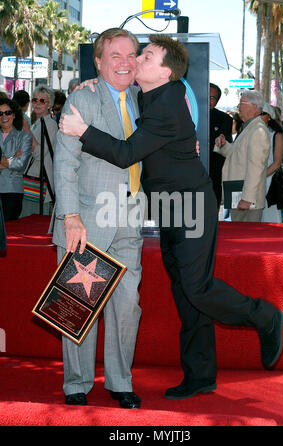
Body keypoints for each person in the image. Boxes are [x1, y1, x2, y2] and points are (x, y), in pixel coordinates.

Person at [59, 34, 283, 400]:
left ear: (165, 71)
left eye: (143, 56)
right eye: (129, 55)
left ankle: (265, 317)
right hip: (166, 206)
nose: (134, 61)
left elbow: (126, 152)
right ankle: (200, 375)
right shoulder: (146, 94)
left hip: (190, 206)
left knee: (196, 287)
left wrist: (82, 130)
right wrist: (92, 83)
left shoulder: (165, 101)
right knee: (186, 293)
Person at [52, 28, 144, 409]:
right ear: (99, 62)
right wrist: (70, 216)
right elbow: (66, 161)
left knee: (126, 307)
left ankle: (121, 381)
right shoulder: (82, 97)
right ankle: (77, 382)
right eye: (115, 56)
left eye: (131, 55)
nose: (124, 62)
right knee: (79, 303)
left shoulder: (145, 99)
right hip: (86, 220)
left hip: (131, 219)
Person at [214, 90, 270, 222]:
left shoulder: (258, 130)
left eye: (241, 103)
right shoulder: (249, 127)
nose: (238, 107)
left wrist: (247, 198)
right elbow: (239, 156)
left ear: (254, 107)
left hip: (246, 200)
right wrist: (223, 145)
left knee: (245, 238)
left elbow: (256, 168)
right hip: (238, 194)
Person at [21, 85, 57, 217]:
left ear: (49, 104)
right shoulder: (37, 123)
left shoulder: (50, 125)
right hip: (32, 180)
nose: (37, 103)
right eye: (35, 100)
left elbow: (39, 155)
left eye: (42, 101)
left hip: (38, 182)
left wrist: (27, 130)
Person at [0, 98, 32, 221]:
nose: (4, 117)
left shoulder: (25, 136)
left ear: (13, 115)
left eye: (7, 112)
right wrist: (11, 158)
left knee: (9, 231)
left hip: (12, 191)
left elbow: (20, 164)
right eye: (0, 113)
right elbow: (15, 162)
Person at [209, 83, 233, 208]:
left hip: (215, 173)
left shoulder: (225, 119)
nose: (209, 100)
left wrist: (221, 142)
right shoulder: (187, 115)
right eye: (206, 96)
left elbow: (226, 147)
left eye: (213, 98)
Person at [260, 103, 283, 223]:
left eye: (263, 114)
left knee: (270, 217)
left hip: (270, 182)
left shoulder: (276, 135)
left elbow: (277, 163)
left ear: (269, 116)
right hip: (254, 182)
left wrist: (260, 176)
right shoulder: (250, 132)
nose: (259, 116)